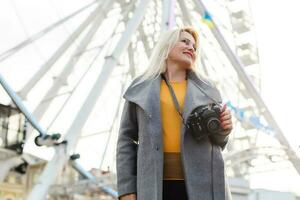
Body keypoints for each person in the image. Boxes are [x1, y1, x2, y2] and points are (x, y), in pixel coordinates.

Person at [116, 27, 233, 200]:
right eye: (185, 41)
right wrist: (127, 189)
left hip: (203, 183)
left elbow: (218, 141)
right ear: (166, 45)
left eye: (194, 46)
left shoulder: (207, 89)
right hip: (154, 185)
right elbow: (126, 140)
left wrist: (224, 129)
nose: (191, 48)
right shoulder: (140, 88)